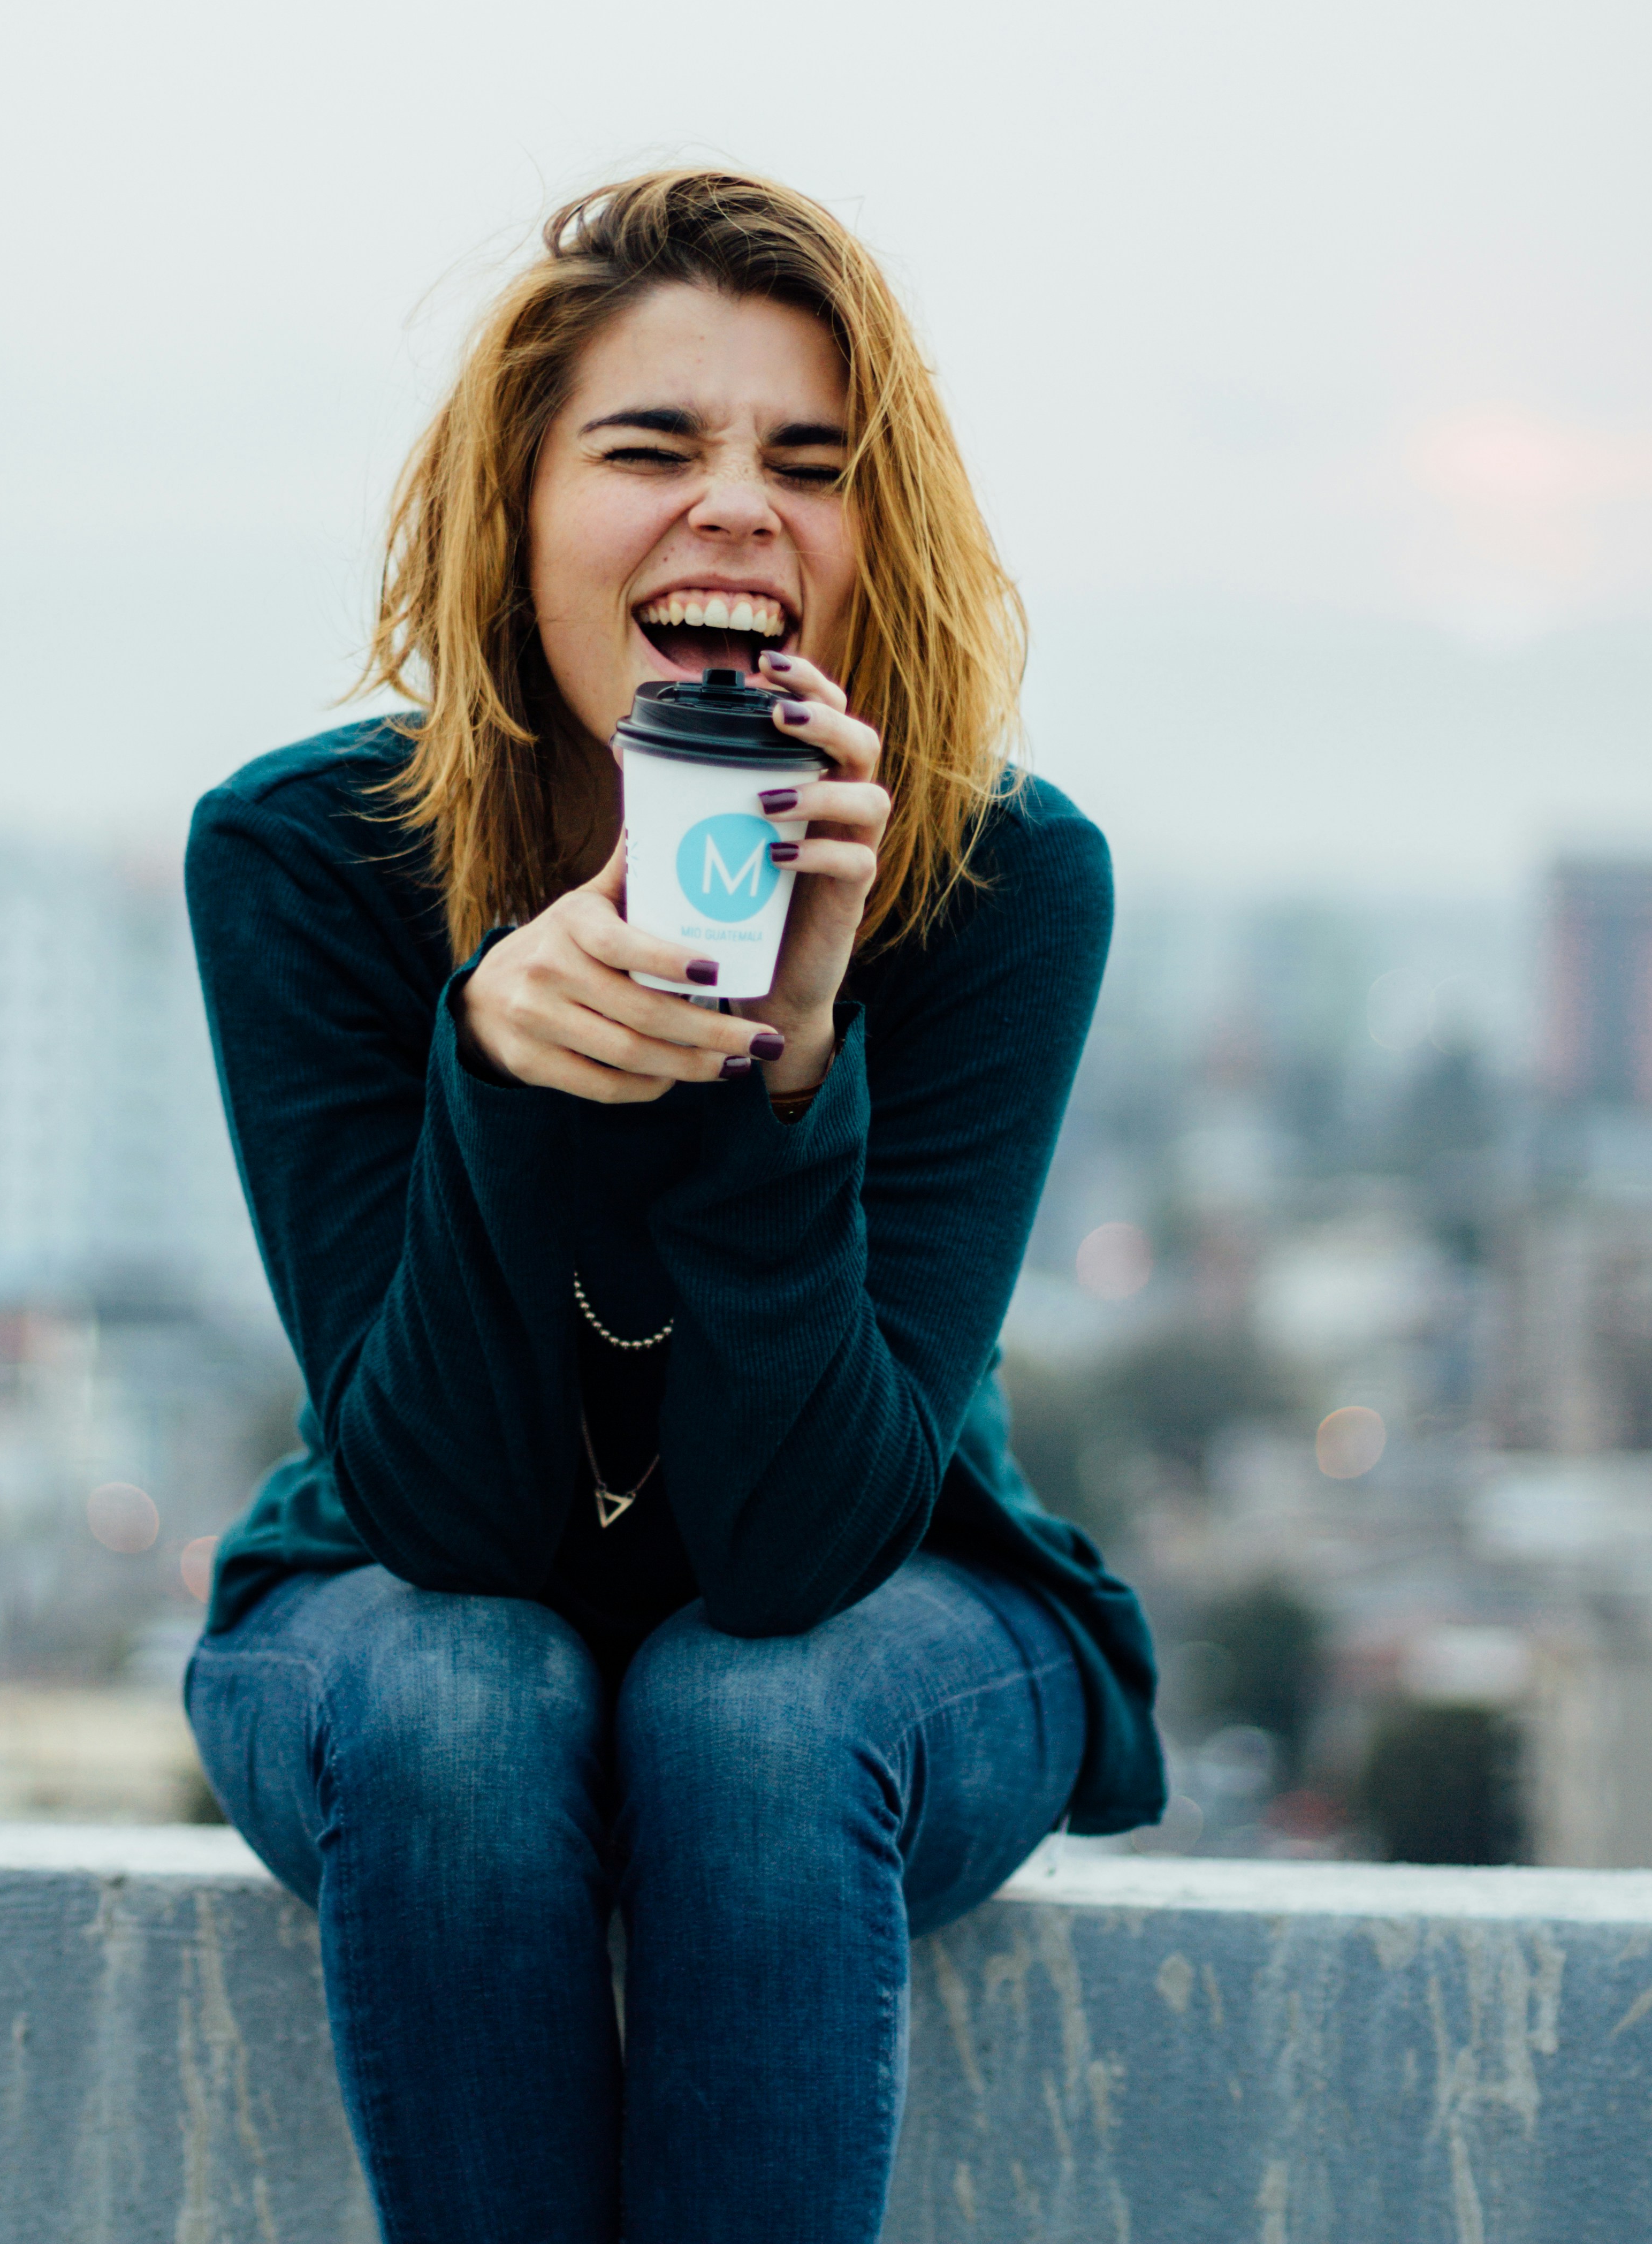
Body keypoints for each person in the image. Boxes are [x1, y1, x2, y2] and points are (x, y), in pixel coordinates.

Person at [182, 168, 1163, 2244]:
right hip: (388, 1615)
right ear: (515, 513)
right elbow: (443, 1520)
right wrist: (489, 1064)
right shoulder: (308, 859)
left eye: (813, 465)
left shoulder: (999, 879)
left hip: (900, 1605)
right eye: (651, 449)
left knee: (749, 1711)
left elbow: (808, 1550)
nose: (737, 508)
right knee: (467, 1697)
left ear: (879, 539)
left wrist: (793, 1056)